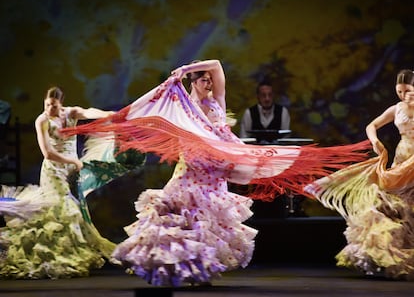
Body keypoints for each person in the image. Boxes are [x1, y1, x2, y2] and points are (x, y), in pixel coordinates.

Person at [62, 59, 370, 286]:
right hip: (193, 170)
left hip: (216, 173)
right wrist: (180, 80)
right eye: (204, 80)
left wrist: (184, 69)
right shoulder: (185, 110)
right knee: (181, 216)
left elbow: (219, 65)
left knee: (210, 223)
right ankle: (179, 270)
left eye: (210, 80)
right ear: (194, 84)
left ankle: (201, 273)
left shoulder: (217, 102)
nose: (210, 84)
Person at [305, 69, 414, 280]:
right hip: (401, 161)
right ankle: (388, 257)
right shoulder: (396, 108)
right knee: (394, 207)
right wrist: (375, 141)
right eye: (399, 91)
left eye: (407, 90)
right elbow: (371, 125)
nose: (403, 95)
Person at [0, 86, 117, 279]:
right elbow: (47, 152)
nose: (49, 109)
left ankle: (64, 249)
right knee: (64, 210)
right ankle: (56, 254)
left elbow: (88, 112)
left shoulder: (69, 113)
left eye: (53, 106)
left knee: (69, 212)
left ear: (60, 104)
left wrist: (108, 114)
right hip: (54, 171)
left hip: (71, 171)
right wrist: (73, 161)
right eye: (47, 105)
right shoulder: (42, 121)